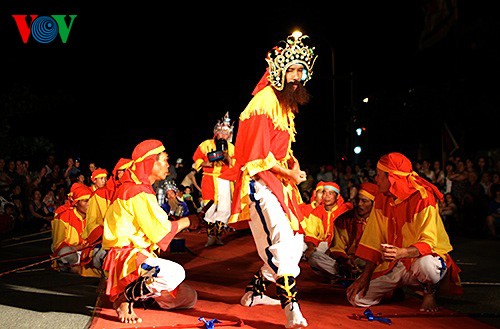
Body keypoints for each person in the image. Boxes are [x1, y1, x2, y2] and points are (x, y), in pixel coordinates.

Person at [220, 30, 317, 328]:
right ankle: (291, 309)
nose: (297, 76)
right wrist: (286, 172)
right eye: (292, 70)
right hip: (259, 185)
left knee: (295, 243)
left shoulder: (284, 104)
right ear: (278, 71)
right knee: (284, 243)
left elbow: (278, 150)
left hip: (279, 184)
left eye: (301, 70)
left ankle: (255, 291)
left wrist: (292, 169)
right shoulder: (263, 102)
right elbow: (254, 155)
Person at [346, 152, 462, 312]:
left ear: (392, 179)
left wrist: (402, 252)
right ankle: (395, 290)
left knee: (426, 265)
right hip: (396, 263)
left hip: (418, 260)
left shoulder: (423, 197)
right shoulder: (381, 197)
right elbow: (373, 239)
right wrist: (364, 278)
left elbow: (429, 243)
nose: (376, 179)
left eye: (379, 175)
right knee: (356, 298)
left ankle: (430, 292)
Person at [102, 139, 200, 324]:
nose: (168, 165)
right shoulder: (136, 191)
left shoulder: (142, 189)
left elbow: (158, 224)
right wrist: (189, 221)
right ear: (150, 163)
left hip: (142, 257)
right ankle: (126, 298)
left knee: (189, 298)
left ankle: (145, 295)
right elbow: (160, 231)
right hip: (127, 259)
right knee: (175, 273)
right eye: (164, 160)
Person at [192, 112, 235, 247]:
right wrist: (205, 163)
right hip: (209, 178)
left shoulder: (232, 147)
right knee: (209, 206)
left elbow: (236, 163)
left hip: (224, 179)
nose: (223, 135)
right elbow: (196, 159)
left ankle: (218, 235)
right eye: (221, 133)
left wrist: (227, 158)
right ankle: (211, 236)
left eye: (226, 133)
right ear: (216, 132)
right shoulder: (205, 144)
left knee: (225, 208)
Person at [302, 182, 353, 282]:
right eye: (324, 193)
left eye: (330, 193)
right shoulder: (317, 211)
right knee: (313, 258)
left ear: (337, 196)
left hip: (343, 247)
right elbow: (311, 233)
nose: (326, 196)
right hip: (324, 244)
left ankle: (337, 274)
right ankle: (341, 274)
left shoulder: (345, 210)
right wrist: (311, 248)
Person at [330, 182, 378, 280]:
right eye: (358, 200)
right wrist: (345, 260)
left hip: (369, 263)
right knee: (316, 257)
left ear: (373, 204)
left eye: (364, 201)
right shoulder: (343, 219)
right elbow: (337, 247)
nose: (359, 204)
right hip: (347, 261)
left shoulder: (379, 220)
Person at [51, 182, 101, 277]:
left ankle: (78, 269)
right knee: (64, 252)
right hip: (72, 252)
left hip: (87, 252)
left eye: (90, 201)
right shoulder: (64, 216)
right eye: (85, 201)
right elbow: (57, 245)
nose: (89, 204)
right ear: (76, 203)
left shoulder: (94, 216)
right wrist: (77, 248)